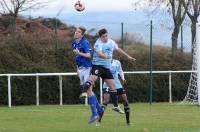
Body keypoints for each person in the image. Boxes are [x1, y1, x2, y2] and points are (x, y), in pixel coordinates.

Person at [82, 28, 136, 124]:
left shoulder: (111, 42)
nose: (106, 38)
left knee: (113, 87)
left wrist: (128, 56)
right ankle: (84, 93)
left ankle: (115, 106)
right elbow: (99, 53)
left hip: (106, 69)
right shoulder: (98, 43)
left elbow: (118, 49)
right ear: (100, 37)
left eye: (106, 35)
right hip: (98, 65)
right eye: (103, 36)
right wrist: (106, 56)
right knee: (91, 80)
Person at [99, 59, 131, 126]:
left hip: (117, 83)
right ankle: (98, 121)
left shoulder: (117, 62)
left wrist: (123, 78)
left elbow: (120, 71)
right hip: (107, 83)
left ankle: (128, 122)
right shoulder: (103, 62)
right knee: (106, 101)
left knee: (125, 100)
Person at [71, 26, 92, 101]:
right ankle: (98, 109)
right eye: (76, 31)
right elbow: (77, 57)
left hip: (87, 67)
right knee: (87, 89)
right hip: (80, 68)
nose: (76, 32)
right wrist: (77, 68)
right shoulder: (74, 43)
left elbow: (89, 55)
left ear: (82, 35)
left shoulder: (85, 42)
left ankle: (96, 110)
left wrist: (79, 53)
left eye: (79, 32)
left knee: (88, 89)